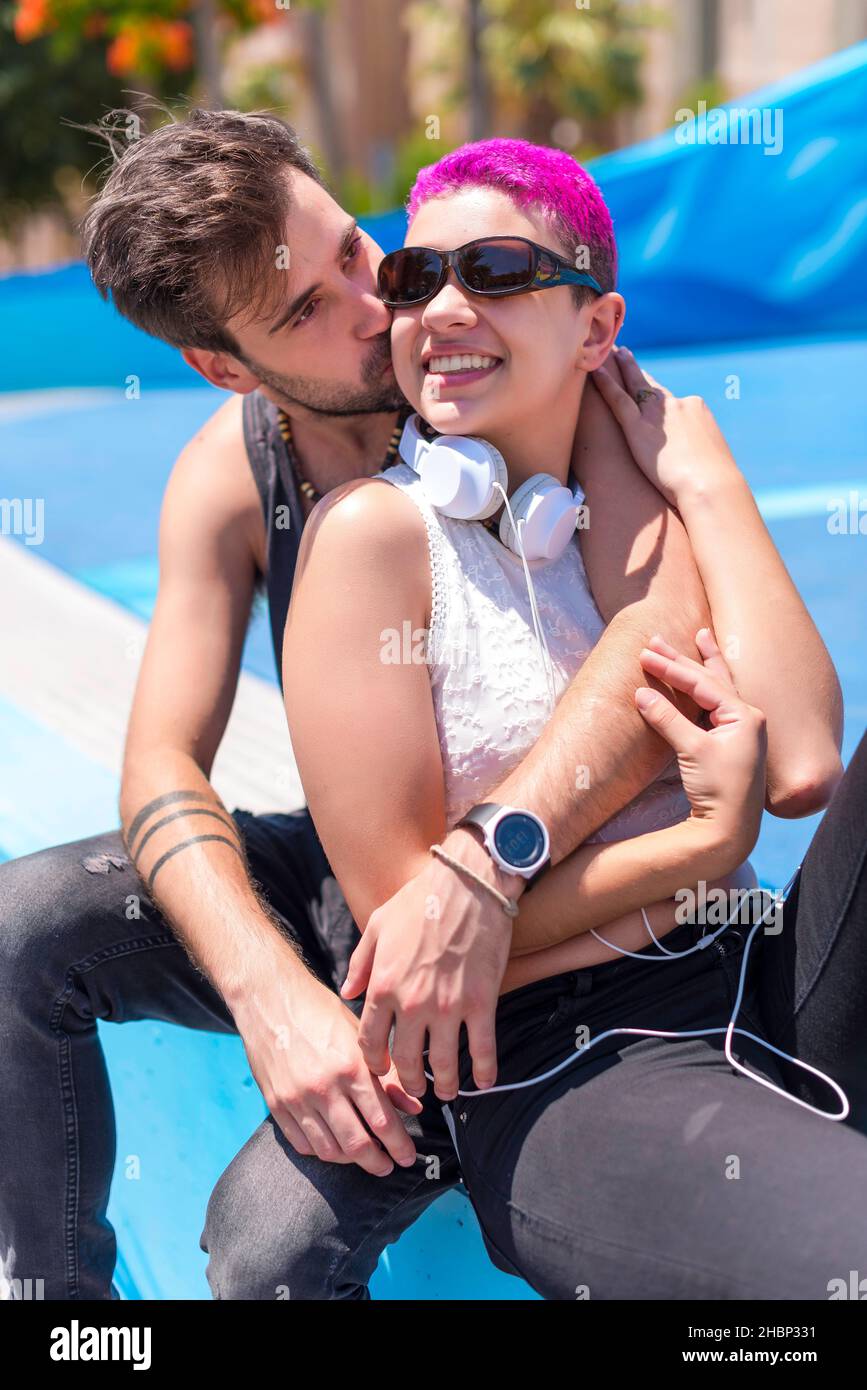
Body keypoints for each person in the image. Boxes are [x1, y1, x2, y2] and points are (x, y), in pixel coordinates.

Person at [0, 109, 765, 1301]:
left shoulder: (512, 367)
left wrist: (484, 867)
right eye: (305, 309)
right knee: (22, 926)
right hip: (371, 888)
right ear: (223, 365)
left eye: (354, 250)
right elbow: (160, 759)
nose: (380, 308)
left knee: (266, 1245)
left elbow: (659, 634)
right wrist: (277, 1000)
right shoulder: (231, 471)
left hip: (559, 885)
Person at [277, 138, 867, 1300]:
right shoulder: (374, 544)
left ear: (599, 330)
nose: (443, 305)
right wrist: (696, 850)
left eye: (494, 271)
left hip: (763, 974)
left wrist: (708, 485)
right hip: (569, 1065)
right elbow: (417, 958)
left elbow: (801, 759)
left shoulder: (630, 514)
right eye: (414, 278)